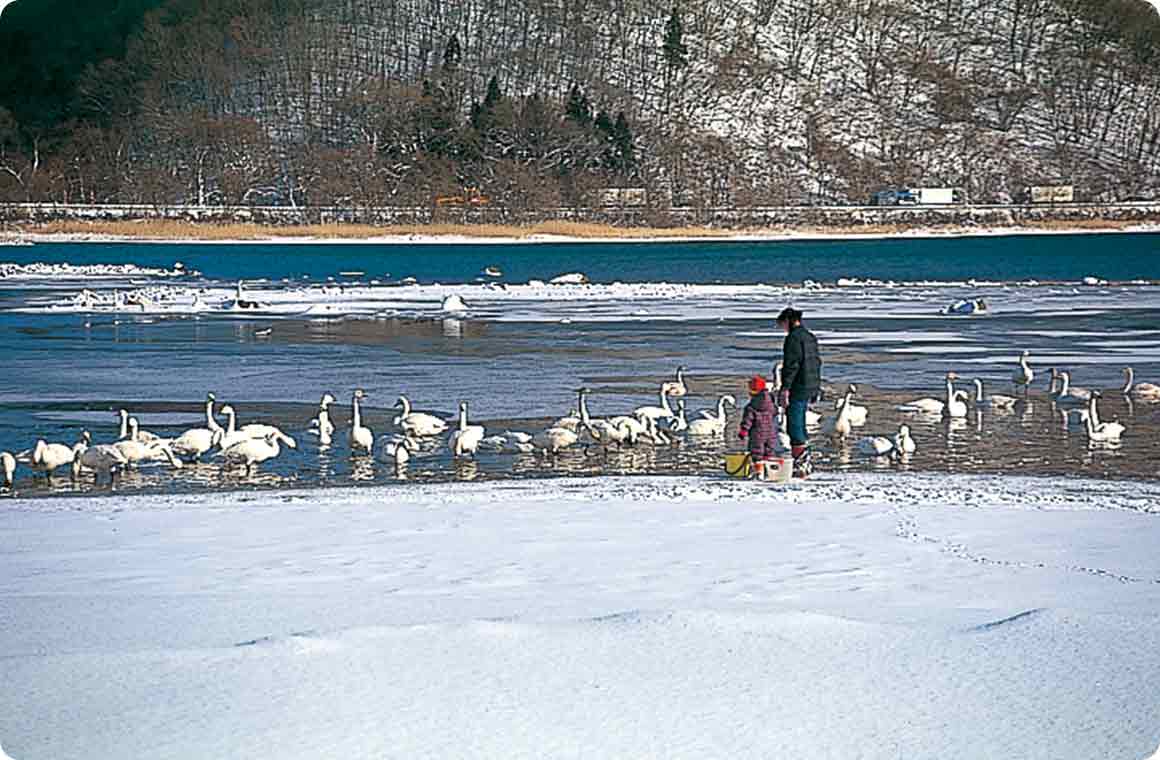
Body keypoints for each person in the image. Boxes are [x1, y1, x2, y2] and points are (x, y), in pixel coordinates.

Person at [776, 307, 821, 477]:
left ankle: (801, 465)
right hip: (810, 385)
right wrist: (816, 387)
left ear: (788, 320)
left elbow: (791, 366)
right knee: (800, 424)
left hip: (798, 386)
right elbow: (816, 363)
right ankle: (804, 463)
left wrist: (785, 388)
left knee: (794, 427)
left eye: (782, 324)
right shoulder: (810, 337)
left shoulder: (793, 339)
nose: (783, 328)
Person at [738, 375, 778, 480]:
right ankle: (768, 472)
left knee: (757, 453)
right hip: (771, 433)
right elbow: (775, 412)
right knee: (769, 452)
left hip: (757, 433)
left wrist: (743, 431)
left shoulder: (751, 407)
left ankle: (759, 473)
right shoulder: (771, 403)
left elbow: (748, 420)